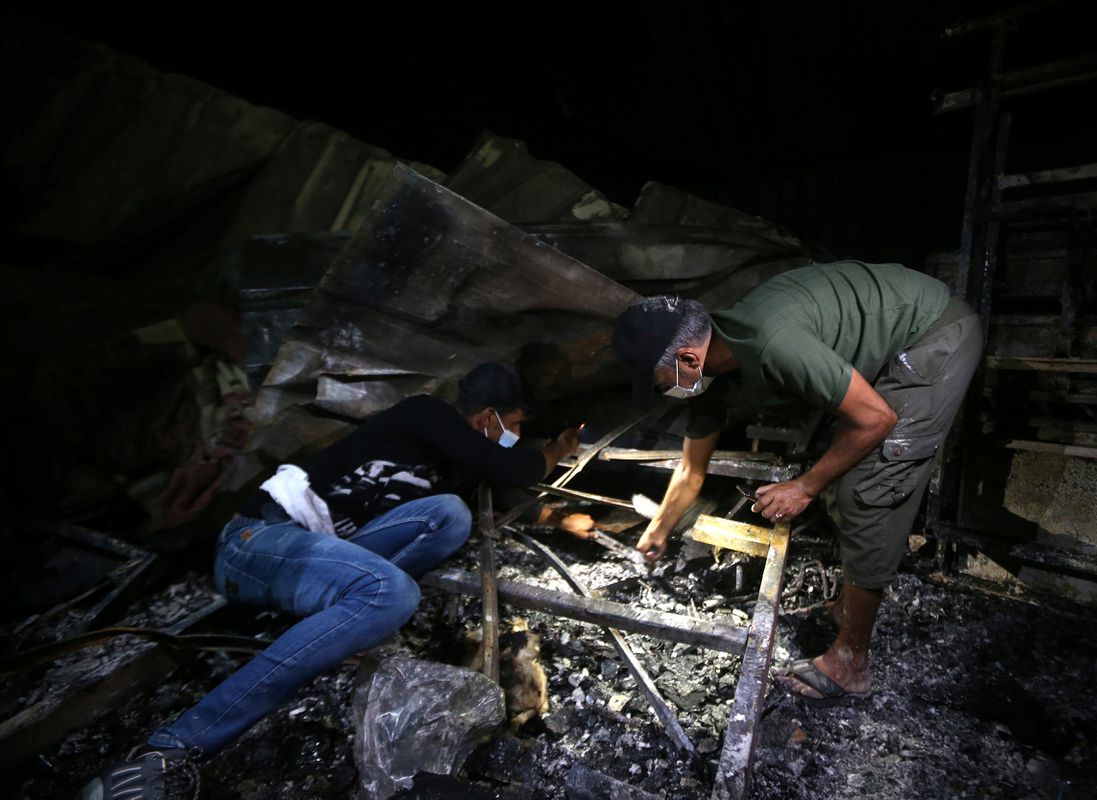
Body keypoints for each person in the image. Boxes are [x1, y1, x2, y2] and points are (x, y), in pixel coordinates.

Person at [81, 362, 584, 800]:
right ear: (485, 416)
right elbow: (505, 465)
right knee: (392, 592)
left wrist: (559, 518)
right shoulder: (426, 413)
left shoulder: (448, 467)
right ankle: (168, 749)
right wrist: (554, 451)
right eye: (511, 425)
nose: (511, 435)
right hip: (258, 540)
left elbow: (493, 483)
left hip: (323, 557)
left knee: (449, 515)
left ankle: (349, 616)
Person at [610, 261, 983, 704]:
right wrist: (659, 528)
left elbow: (875, 419)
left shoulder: (771, 342)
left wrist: (802, 487)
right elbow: (692, 468)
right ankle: (849, 606)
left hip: (932, 334)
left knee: (867, 489)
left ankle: (851, 663)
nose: (661, 391)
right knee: (834, 474)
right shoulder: (715, 367)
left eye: (658, 383)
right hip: (895, 337)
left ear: (688, 359)